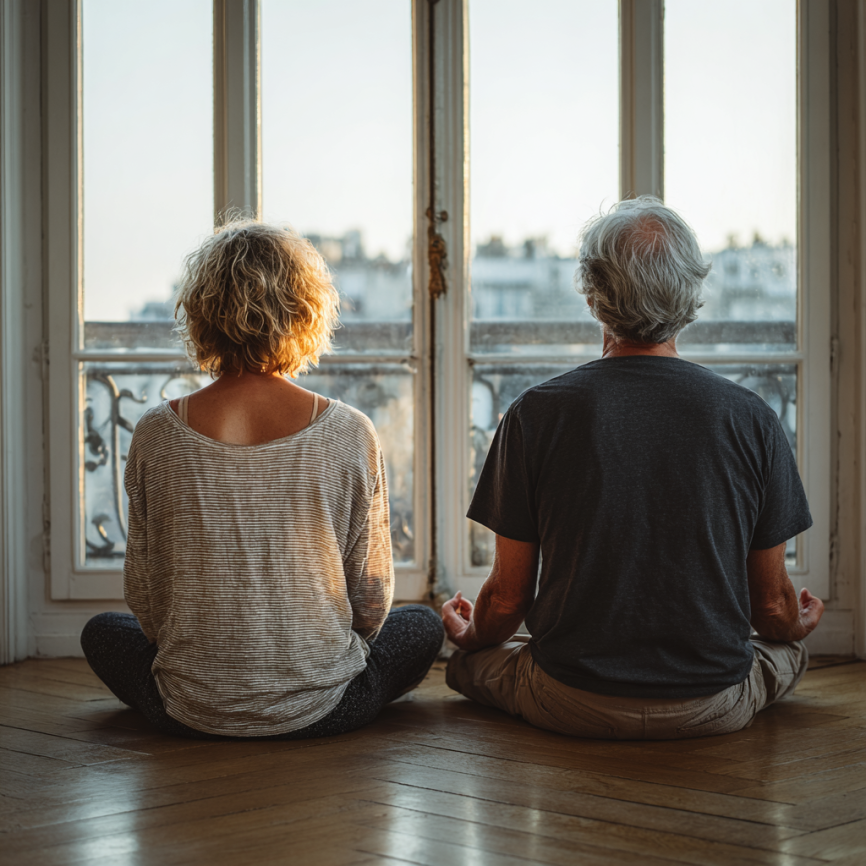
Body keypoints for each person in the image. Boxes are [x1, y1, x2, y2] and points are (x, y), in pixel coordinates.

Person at [442, 196, 823, 740]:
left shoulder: (534, 413)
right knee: (790, 653)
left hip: (568, 700)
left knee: (465, 666)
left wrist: (470, 634)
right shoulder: (752, 417)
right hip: (713, 704)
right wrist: (797, 624)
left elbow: (506, 599)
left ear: (593, 296)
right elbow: (771, 607)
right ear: (691, 295)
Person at [81, 220, 443, 739]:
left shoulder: (156, 432)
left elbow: (147, 598)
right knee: (423, 624)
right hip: (328, 708)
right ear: (307, 312)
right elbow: (370, 603)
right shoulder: (350, 431)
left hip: (187, 708)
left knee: (101, 632)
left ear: (200, 312)